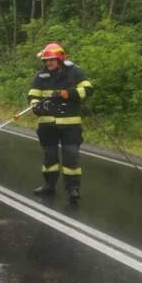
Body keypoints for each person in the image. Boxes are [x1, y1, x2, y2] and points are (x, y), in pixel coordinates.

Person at [27, 43, 93, 203]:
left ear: (60, 59)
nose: (48, 63)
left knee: (71, 156)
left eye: (51, 60)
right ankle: (49, 186)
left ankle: (73, 189)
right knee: (50, 157)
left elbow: (88, 89)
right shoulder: (40, 76)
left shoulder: (74, 72)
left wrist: (69, 93)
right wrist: (36, 105)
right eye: (46, 60)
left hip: (70, 126)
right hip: (47, 125)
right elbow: (32, 95)